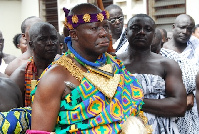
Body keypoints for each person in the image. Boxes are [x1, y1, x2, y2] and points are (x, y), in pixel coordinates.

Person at [29, 3, 144, 133]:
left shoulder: (114, 63)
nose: (104, 33)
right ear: (74, 35)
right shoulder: (55, 77)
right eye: (94, 28)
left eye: (105, 27)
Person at [120, 14, 187, 134]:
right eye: (135, 28)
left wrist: (132, 101)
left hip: (160, 129)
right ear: (126, 33)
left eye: (148, 29)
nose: (141, 32)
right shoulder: (113, 63)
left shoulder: (167, 65)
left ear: (154, 35)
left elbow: (179, 106)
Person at [161, 14, 199, 134]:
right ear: (173, 27)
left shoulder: (196, 49)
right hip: (170, 109)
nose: (185, 32)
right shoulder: (162, 50)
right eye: (182, 27)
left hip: (194, 110)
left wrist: (192, 93)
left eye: (189, 29)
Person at [10, 21, 59, 107]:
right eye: (43, 39)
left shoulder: (68, 67)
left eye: (53, 38)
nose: (50, 43)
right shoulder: (20, 76)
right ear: (31, 45)